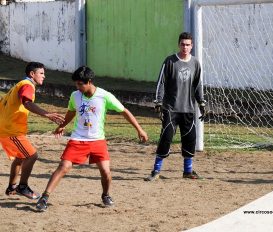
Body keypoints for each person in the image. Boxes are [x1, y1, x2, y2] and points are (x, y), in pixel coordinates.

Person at [36, 66, 148, 211]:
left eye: (80, 84)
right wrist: (62, 125)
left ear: (89, 81)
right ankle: (44, 197)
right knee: (64, 167)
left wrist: (139, 129)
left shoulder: (104, 96)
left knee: (106, 172)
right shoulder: (75, 95)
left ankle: (106, 195)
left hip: (97, 140)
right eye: (76, 84)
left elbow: (124, 111)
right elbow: (71, 112)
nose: (77, 87)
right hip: (78, 139)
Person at [145, 32, 207, 181]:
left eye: (188, 44)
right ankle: (156, 171)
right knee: (166, 138)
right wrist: (158, 102)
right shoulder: (170, 61)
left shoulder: (195, 64)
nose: (185, 47)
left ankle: (188, 171)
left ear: (192, 46)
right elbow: (161, 83)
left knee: (190, 139)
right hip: (171, 109)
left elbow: (198, 85)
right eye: (182, 44)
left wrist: (202, 103)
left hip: (188, 109)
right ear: (179, 44)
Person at [0, 62, 65, 199]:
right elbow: (27, 102)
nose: (44, 76)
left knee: (20, 157)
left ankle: (12, 187)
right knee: (32, 156)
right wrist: (46, 114)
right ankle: (22, 187)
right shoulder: (27, 85)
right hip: (12, 131)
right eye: (41, 73)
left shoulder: (18, 85)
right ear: (32, 74)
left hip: (8, 129)